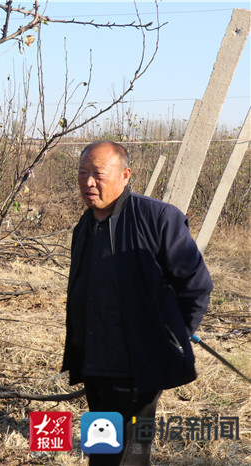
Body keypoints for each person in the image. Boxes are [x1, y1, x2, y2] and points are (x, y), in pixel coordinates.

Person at [62, 141, 213, 465]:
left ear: (125, 174)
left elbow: (196, 285)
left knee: (130, 457)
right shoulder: (85, 227)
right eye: (82, 173)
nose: (88, 182)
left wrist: (170, 337)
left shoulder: (157, 218)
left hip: (137, 369)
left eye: (98, 174)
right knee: (101, 453)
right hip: (95, 366)